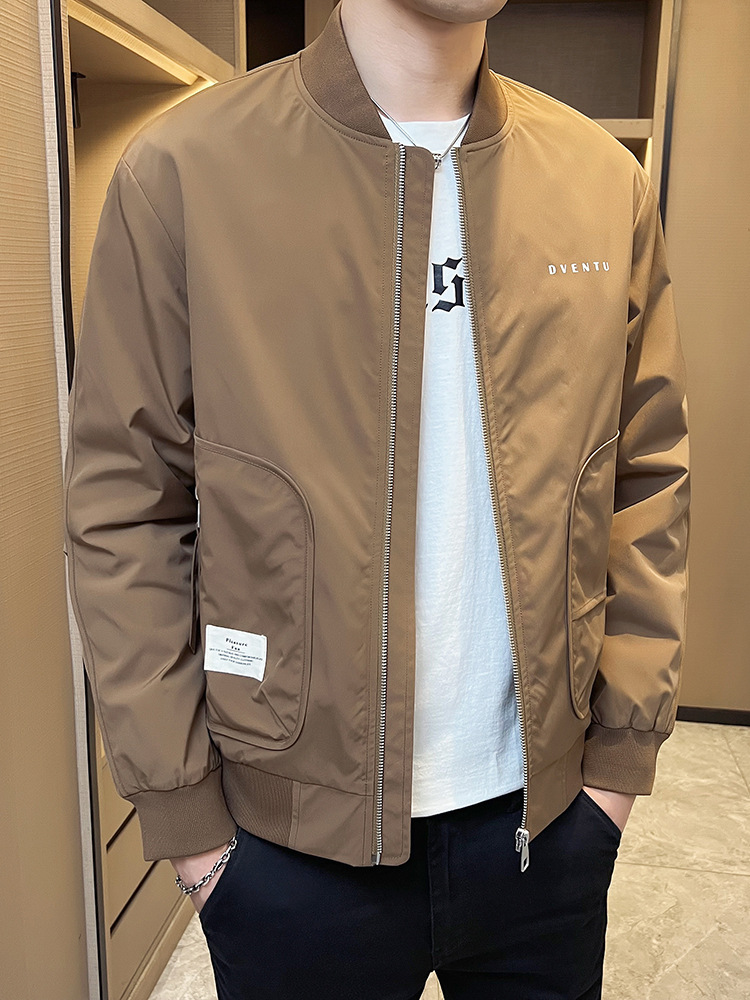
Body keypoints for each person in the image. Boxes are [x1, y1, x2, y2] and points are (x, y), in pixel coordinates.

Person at [63, 0, 690, 997]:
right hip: (285, 856)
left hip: (547, 833)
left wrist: (614, 771)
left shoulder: (603, 181)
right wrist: (193, 833)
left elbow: (645, 477)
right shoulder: (183, 171)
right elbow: (126, 506)